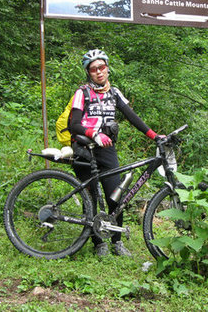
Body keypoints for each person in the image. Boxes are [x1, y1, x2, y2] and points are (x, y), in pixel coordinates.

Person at [68, 49, 163, 257]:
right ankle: (98, 244)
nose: (98, 72)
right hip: (84, 149)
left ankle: (116, 242)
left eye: (101, 67)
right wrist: (94, 134)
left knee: (116, 197)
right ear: (88, 73)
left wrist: (155, 136)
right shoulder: (82, 93)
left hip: (106, 149)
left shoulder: (114, 93)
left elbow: (132, 117)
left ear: (107, 68)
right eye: (93, 69)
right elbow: (73, 124)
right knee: (91, 199)